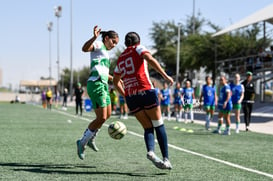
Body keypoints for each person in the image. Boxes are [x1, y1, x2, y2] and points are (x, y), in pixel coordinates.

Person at [113, 32, 173, 169]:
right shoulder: (139, 48)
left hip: (131, 96)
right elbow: (149, 59)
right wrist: (165, 76)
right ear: (138, 41)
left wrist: (125, 94)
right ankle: (166, 159)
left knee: (147, 127)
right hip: (145, 90)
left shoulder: (120, 58)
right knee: (158, 124)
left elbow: (116, 81)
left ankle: (151, 151)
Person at [76, 25, 119, 160]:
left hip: (104, 85)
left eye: (116, 44)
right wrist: (94, 37)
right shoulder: (99, 45)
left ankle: (91, 137)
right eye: (113, 42)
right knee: (101, 117)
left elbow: (105, 72)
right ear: (106, 38)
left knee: (107, 115)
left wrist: (117, 79)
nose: (114, 45)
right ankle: (82, 142)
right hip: (96, 84)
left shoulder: (106, 53)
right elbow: (84, 49)